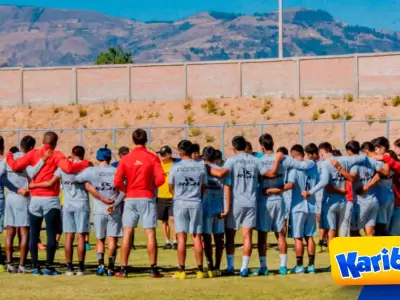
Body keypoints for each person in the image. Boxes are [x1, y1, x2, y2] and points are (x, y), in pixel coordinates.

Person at [6, 131, 90, 276]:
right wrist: (85, 163)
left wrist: (8, 154)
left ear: (42, 141)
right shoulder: (57, 154)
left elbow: (15, 165)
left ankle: (35, 266)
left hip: (35, 199)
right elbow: (69, 168)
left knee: (34, 233)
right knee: (51, 234)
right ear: (55, 142)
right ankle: (49, 266)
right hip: (50, 198)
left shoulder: (33, 153)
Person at [255, 135, 315, 276]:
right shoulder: (285, 158)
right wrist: (313, 162)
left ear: (262, 146)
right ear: (273, 144)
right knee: (280, 234)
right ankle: (283, 266)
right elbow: (302, 165)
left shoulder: (259, 161)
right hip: (279, 200)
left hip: (265, 199)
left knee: (262, 235)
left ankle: (264, 266)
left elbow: (267, 175)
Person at [207, 136, 266, 277]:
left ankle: (230, 266)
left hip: (236, 202)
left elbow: (222, 174)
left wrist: (205, 166)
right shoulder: (255, 160)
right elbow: (263, 176)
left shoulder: (231, 160)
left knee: (230, 236)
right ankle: (244, 268)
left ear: (233, 148)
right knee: (247, 236)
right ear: (245, 146)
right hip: (251, 202)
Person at [30, 146, 91, 276]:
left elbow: (50, 183)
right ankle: (80, 268)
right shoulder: (86, 167)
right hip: (81, 203)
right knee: (81, 236)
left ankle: (69, 268)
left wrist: (34, 185)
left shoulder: (63, 168)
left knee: (69, 236)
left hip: (68, 205)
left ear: (72, 154)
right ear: (83, 155)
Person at [114, 129, 165, 278]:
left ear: (132, 140)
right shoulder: (152, 157)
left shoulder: (126, 159)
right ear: (146, 140)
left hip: (130, 197)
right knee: (150, 232)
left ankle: (123, 268)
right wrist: (151, 186)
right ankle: (154, 269)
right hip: (147, 196)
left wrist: (127, 189)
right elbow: (161, 179)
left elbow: (117, 182)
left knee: (127, 232)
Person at [74, 146, 125, 277]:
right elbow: (124, 190)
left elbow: (76, 178)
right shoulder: (117, 170)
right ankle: (111, 268)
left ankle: (100, 266)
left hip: (98, 210)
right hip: (113, 210)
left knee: (100, 239)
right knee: (112, 239)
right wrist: (115, 203)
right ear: (110, 158)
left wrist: (89, 186)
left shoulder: (91, 171)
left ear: (97, 158)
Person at [302, 142, 366, 243]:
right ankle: (343, 252)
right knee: (343, 229)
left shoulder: (325, 164)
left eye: (320, 153)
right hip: (343, 201)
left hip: (330, 202)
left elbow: (324, 181)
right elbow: (363, 157)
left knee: (332, 230)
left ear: (322, 152)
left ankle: (333, 253)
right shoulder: (345, 159)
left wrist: (310, 192)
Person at [4, 136, 46, 273]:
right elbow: (32, 172)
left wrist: (12, 187)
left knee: (10, 231)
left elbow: (0, 176)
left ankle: (10, 264)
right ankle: (22, 265)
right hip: (23, 198)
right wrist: (42, 161)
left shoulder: (8, 158)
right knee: (24, 232)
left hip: (10, 197)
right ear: (32, 148)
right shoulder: (26, 158)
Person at [169, 140, 208, 279]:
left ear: (180, 151)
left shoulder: (175, 167)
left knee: (181, 237)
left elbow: (170, 186)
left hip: (180, 203)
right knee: (197, 237)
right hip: (195, 202)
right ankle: (199, 269)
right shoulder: (200, 167)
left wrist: (177, 196)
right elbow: (204, 186)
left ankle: (181, 270)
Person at [283, 145, 318, 274]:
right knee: (309, 236)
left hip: (298, 207)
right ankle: (311, 265)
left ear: (294, 155)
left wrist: (277, 189)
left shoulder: (294, 169)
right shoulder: (313, 168)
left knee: (298, 237)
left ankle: (299, 266)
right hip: (311, 206)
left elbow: (290, 185)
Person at [201, 146, 225, 277]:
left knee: (207, 238)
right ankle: (217, 266)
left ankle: (210, 265)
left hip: (206, 207)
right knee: (219, 238)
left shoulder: (202, 169)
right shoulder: (221, 170)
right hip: (219, 206)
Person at [305, 143, 327, 252]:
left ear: (314, 154)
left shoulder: (321, 164)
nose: (307, 157)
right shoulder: (312, 164)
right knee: (320, 218)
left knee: (321, 218)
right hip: (316, 195)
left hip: (321, 194)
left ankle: (321, 241)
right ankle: (323, 240)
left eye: (309, 155)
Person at [110, 146, 134, 249]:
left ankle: (130, 243)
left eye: (127, 154)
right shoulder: (114, 165)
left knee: (130, 221)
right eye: (124, 154)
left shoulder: (132, 164)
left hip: (129, 196)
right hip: (118, 195)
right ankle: (114, 241)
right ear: (120, 155)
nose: (126, 156)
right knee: (116, 219)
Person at [372, 137, 394, 236]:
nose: (374, 152)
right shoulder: (391, 157)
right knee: (384, 226)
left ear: (382, 148)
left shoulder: (383, 159)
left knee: (381, 228)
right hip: (389, 195)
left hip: (381, 196)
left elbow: (385, 172)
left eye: (376, 149)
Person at [157, 146, 177, 250]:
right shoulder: (158, 166)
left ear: (169, 155)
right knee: (164, 221)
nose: (162, 157)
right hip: (161, 196)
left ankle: (175, 241)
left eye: (164, 155)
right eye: (161, 154)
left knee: (173, 219)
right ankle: (167, 241)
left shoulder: (174, 165)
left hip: (173, 196)